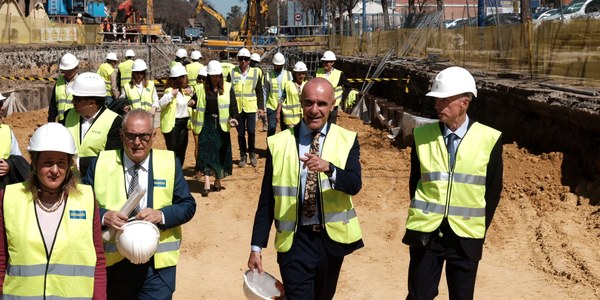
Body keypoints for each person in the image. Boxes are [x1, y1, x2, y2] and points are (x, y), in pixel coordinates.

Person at [247, 78, 364, 299]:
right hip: (295, 241)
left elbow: (354, 184)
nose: (314, 110)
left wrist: (330, 168)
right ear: (301, 103)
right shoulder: (279, 143)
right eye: (309, 102)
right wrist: (256, 246)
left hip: (330, 242)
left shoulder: (347, 140)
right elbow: (267, 200)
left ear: (332, 104)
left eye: (321, 104)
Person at [403, 66, 503, 300]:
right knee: (419, 295)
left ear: (464, 102)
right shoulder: (422, 136)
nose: (437, 105)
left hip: (465, 236)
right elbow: (415, 184)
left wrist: (477, 229)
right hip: (426, 233)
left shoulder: (489, 139)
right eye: (436, 100)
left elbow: (492, 190)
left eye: (443, 100)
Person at [83, 109, 196, 299]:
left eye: (144, 136)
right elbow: (82, 205)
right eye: (131, 136)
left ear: (153, 135)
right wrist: (104, 215)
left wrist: (161, 215)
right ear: (121, 135)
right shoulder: (101, 163)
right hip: (114, 266)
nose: (137, 143)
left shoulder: (169, 163)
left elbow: (187, 205)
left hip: (156, 268)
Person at [0, 123, 106, 299]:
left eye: (61, 163)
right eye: (48, 163)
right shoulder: (8, 198)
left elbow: (98, 260)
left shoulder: (86, 199)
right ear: (34, 162)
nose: (55, 171)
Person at [191, 60, 239, 197]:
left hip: (221, 126)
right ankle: (206, 183)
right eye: (212, 76)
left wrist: (234, 117)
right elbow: (195, 101)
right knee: (205, 153)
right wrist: (192, 102)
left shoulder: (228, 87)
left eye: (217, 76)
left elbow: (233, 105)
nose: (215, 78)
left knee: (219, 153)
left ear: (221, 76)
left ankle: (217, 180)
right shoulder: (200, 88)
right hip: (206, 124)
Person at [61, 72, 122, 177]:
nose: (72, 101)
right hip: (69, 182)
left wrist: (78, 162)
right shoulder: (68, 115)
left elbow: (111, 160)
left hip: (96, 181)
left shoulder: (114, 122)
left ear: (92, 102)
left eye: (77, 99)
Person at [227, 48, 264, 168]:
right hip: (237, 109)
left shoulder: (255, 73)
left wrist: (261, 107)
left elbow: (259, 91)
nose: (243, 61)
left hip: (251, 107)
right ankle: (243, 155)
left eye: (246, 59)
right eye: (241, 59)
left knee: (252, 132)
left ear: (249, 61)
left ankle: (252, 153)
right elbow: (228, 91)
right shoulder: (232, 73)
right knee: (241, 134)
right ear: (238, 60)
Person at [158, 64, 194, 167]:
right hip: (173, 126)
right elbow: (161, 103)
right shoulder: (169, 91)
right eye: (184, 77)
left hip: (184, 124)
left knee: (181, 152)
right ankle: (172, 174)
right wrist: (170, 95)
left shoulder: (184, 91)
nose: (186, 79)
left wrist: (191, 95)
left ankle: (178, 173)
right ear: (179, 78)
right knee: (173, 152)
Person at [0, 93, 29, 188]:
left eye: (1, 103)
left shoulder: (7, 131)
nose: (3, 108)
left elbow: (18, 159)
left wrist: (9, 165)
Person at [315, 50, 351, 125]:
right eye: (324, 62)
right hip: (320, 104)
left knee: (331, 126)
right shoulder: (318, 71)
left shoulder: (339, 74)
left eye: (327, 62)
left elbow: (348, 87)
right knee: (320, 124)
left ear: (332, 62)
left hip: (332, 105)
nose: (325, 64)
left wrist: (341, 98)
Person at [264, 52, 292, 136]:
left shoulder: (289, 75)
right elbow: (265, 92)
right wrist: (264, 108)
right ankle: (269, 149)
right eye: (277, 65)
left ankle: (284, 148)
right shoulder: (268, 76)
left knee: (285, 130)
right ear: (273, 64)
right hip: (272, 106)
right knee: (272, 129)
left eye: (280, 65)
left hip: (285, 106)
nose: (279, 67)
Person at [48, 52, 79, 122]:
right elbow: (53, 104)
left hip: (76, 122)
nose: (67, 72)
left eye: (70, 70)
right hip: (61, 121)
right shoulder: (59, 82)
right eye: (65, 70)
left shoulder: (81, 82)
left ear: (76, 68)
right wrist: (51, 121)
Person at [277, 61, 308, 130]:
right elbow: (282, 98)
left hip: (304, 118)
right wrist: (278, 113)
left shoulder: (307, 85)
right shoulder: (288, 85)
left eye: (303, 73)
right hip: (291, 119)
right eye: (299, 74)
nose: (301, 76)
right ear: (295, 74)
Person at [250, 53, 268, 132]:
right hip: (262, 91)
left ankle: (253, 124)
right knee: (261, 109)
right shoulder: (260, 69)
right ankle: (264, 124)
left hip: (256, 90)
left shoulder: (254, 70)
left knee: (255, 108)